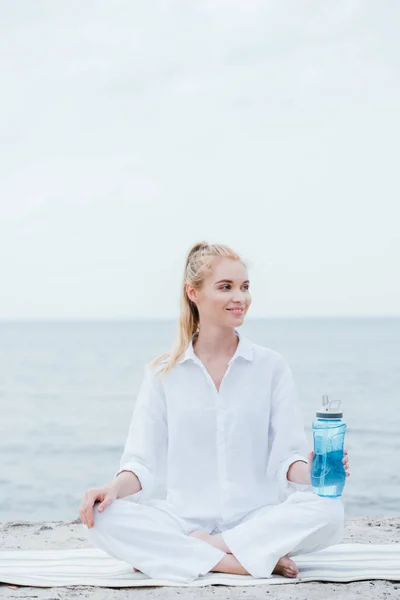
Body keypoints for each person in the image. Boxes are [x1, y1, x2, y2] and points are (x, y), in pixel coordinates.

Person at [79, 241, 350, 583]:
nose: (241, 298)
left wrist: (314, 472)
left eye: (245, 287)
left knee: (329, 512)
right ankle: (236, 561)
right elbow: (141, 464)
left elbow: (287, 458)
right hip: (181, 519)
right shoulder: (164, 372)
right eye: (226, 287)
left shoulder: (270, 367)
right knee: (100, 519)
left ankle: (200, 551)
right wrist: (112, 489)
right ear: (193, 292)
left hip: (256, 517)